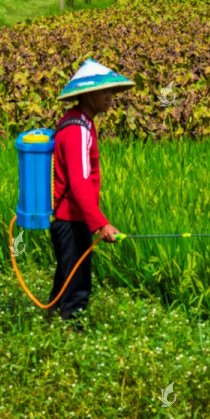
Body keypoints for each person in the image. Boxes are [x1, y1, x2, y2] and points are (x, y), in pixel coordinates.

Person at [47, 59, 135, 325]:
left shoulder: (77, 122)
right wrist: (101, 224)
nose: (110, 98)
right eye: (104, 92)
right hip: (72, 223)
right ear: (87, 95)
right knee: (77, 293)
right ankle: (70, 348)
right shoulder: (77, 129)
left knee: (63, 289)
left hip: (70, 221)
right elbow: (80, 182)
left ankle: (49, 334)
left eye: (111, 92)